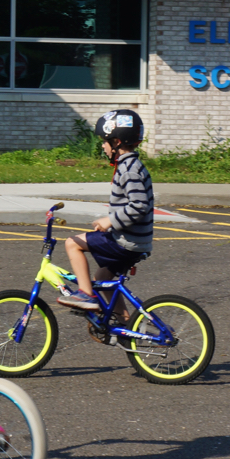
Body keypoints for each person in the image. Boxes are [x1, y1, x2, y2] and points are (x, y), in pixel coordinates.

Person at [57, 110, 153, 313]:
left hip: (127, 241)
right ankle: (125, 326)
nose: (102, 145)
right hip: (134, 240)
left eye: (105, 141)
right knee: (102, 279)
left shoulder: (128, 170)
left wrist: (111, 221)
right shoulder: (131, 165)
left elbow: (139, 205)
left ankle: (85, 294)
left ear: (117, 142)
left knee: (72, 243)